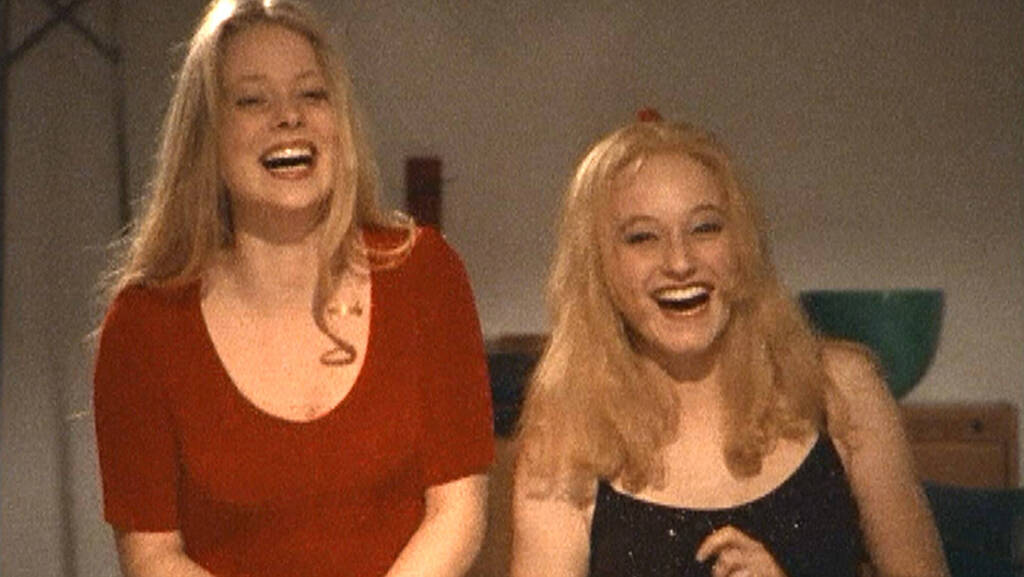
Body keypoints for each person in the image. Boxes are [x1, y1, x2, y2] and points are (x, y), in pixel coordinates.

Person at [92, 1, 494, 576]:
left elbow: (458, 511)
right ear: (206, 137)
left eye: (311, 94)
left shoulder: (425, 276)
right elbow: (153, 556)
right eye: (252, 100)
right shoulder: (144, 327)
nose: (289, 117)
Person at [511, 117, 949, 577]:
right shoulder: (563, 445)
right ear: (599, 267)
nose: (680, 261)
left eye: (704, 229)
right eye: (643, 237)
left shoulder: (843, 391)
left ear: (742, 245)